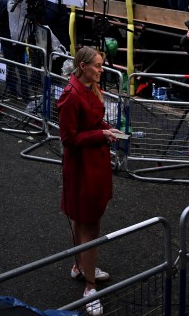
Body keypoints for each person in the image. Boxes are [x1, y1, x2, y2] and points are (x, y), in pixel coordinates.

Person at [57, 46, 120, 316]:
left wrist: (105, 129)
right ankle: (89, 286)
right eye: (96, 65)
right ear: (82, 66)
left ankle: (80, 266)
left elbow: (91, 124)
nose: (100, 69)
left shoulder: (88, 88)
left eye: (101, 65)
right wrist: (101, 135)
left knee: (81, 217)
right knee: (88, 222)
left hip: (93, 162)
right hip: (83, 166)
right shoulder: (71, 96)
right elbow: (69, 138)